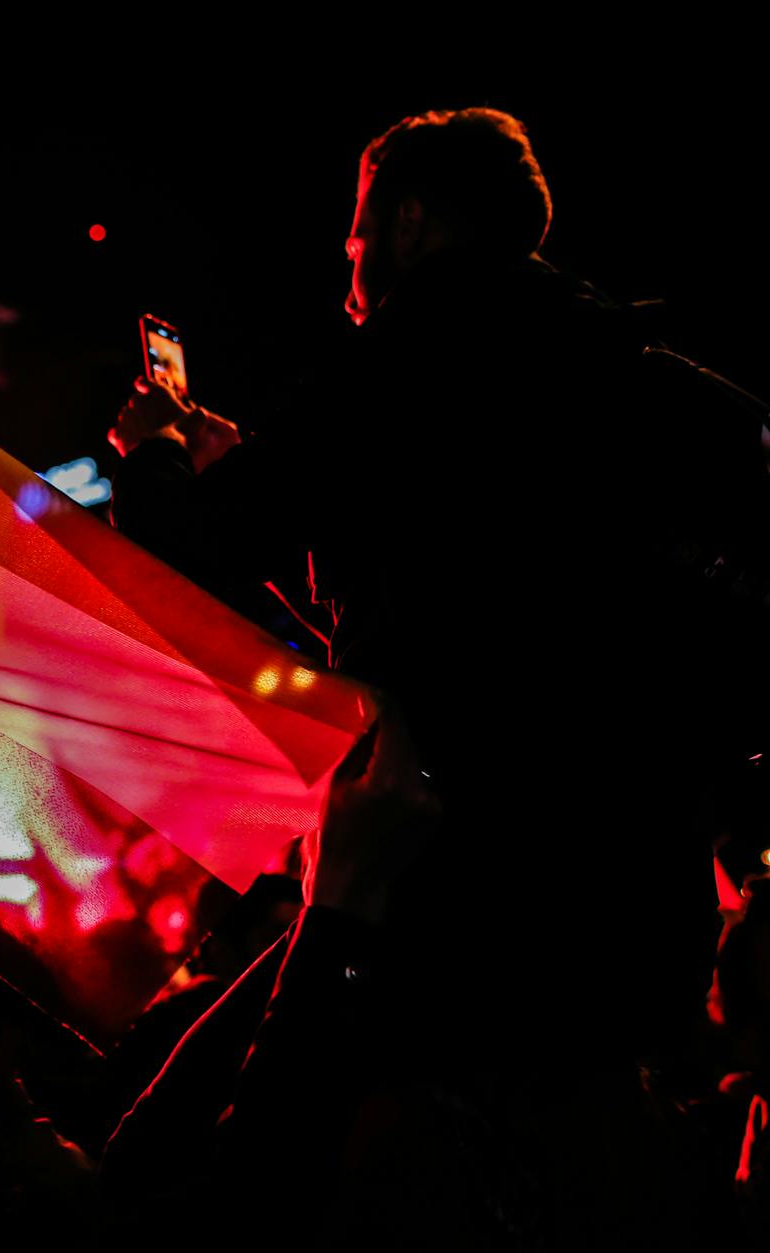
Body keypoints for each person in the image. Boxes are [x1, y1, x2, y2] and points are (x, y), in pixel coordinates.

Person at [105, 107, 753, 1056]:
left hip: (456, 904)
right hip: (640, 908)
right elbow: (427, 599)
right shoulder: (628, 371)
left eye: (357, 236)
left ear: (409, 223)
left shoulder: (413, 357)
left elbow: (187, 547)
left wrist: (153, 455)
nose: (352, 280)